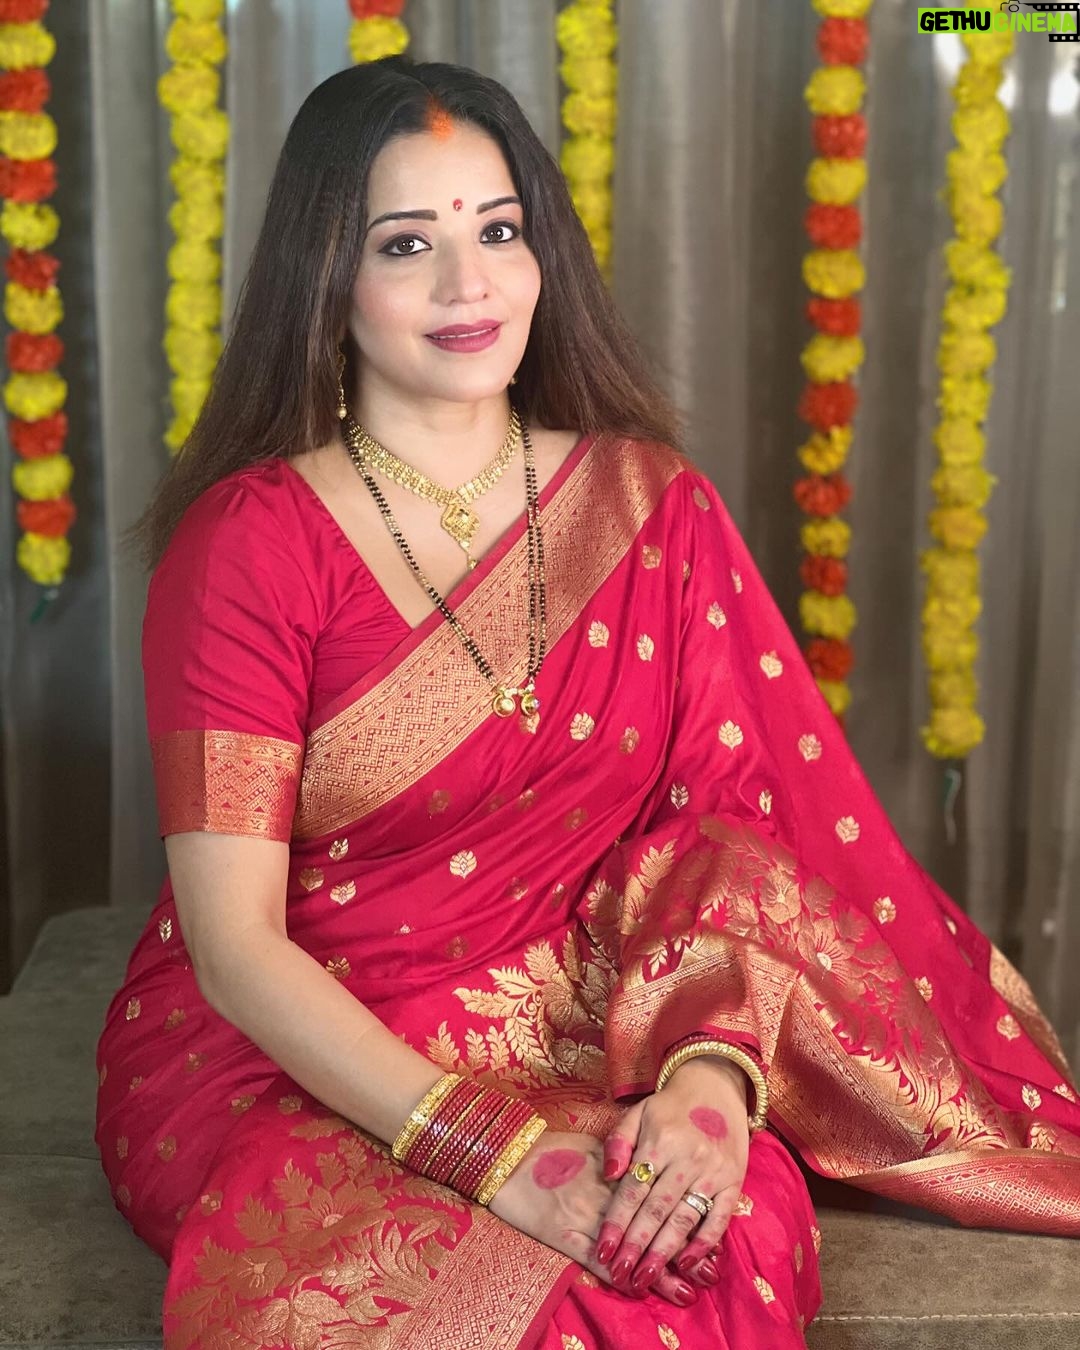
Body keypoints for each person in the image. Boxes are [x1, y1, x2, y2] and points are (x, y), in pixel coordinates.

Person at [95, 55, 1080, 1350]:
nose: (470, 283)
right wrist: (501, 1159)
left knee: (694, 1243)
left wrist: (710, 1086)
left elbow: (732, 836)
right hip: (302, 1061)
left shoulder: (648, 507)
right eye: (408, 244)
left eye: (500, 231)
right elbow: (235, 949)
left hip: (599, 1031)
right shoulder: (248, 546)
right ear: (325, 276)